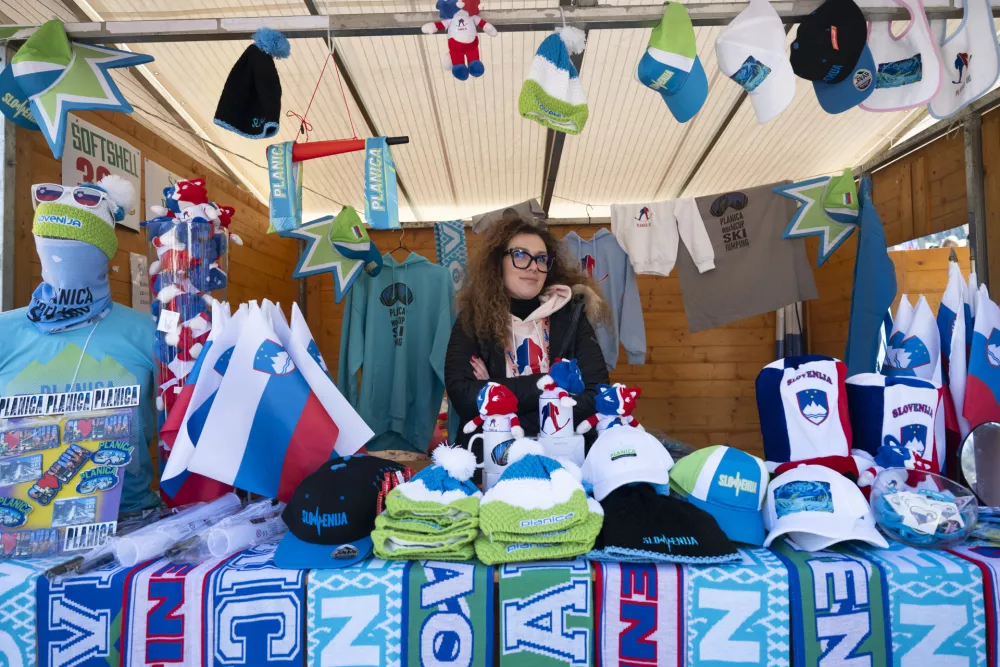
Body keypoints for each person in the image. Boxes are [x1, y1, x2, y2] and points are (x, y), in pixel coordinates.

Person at [0, 176, 160, 515]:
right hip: (23, 523)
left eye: (78, 246)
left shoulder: (147, 332)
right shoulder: (5, 332)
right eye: (50, 242)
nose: (61, 257)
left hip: (128, 520)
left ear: (104, 254)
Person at [445, 212, 610, 452]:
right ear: (497, 262)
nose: (533, 267)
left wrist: (494, 389)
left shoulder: (571, 316)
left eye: (541, 259)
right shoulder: (473, 319)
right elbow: (464, 397)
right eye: (520, 255)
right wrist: (552, 385)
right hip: (494, 456)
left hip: (563, 455)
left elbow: (595, 396)